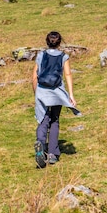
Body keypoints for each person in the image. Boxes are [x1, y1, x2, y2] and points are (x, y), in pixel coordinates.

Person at [32, 31, 81, 168]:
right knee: (54, 120)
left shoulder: (41, 55)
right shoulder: (64, 57)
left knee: (43, 119)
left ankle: (40, 145)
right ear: (59, 43)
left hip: (42, 91)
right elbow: (68, 74)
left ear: (47, 42)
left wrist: (37, 93)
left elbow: (34, 76)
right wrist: (70, 95)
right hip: (57, 93)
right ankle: (53, 154)